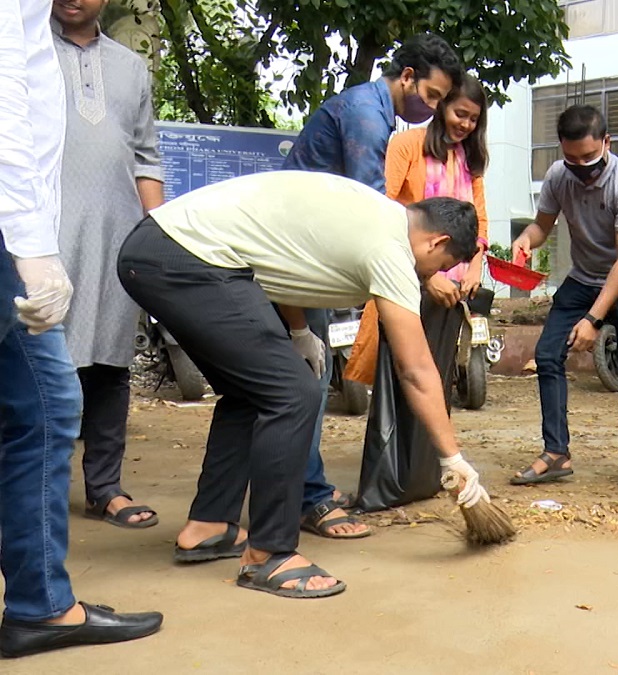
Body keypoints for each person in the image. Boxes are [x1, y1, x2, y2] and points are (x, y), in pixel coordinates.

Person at [116, 170, 487, 599]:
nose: (432, 275)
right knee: (294, 394)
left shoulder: (371, 212)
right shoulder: (391, 248)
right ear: (437, 242)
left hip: (160, 246)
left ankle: (209, 526)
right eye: (441, 266)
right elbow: (416, 369)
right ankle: (268, 555)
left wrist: (298, 332)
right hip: (188, 256)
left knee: (251, 392)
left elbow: (285, 263)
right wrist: (452, 458)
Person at [0, 0, 161, 658]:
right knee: (48, 401)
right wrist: (33, 245)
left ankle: (43, 601)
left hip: (74, 234)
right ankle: (41, 606)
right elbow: (8, 113)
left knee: (65, 390)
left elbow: (145, 156)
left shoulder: (129, 67)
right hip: (26, 236)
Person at [281, 33, 463, 539]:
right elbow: (370, 208)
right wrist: (413, 272)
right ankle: (309, 499)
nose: (432, 109)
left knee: (306, 379)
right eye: (431, 96)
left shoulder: (372, 110)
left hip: (306, 256)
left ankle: (302, 489)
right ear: (407, 77)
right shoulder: (366, 114)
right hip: (297, 257)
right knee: (307, 383)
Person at [52, 0, 165, 529]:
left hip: (117, 234)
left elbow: (146, 156)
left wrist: (158, 242)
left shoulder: (130, 66)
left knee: (110, 361)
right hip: (42, 236)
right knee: (38, 361)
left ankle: (105, 488)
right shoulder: (22, 55)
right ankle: (33, 492)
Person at [509, 105, 618, 495]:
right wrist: (525, 240)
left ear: (607, 143)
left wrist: (592, 319)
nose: (581, 168)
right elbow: (542, 226)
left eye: (589, 158)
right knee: (547, 355)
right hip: (582, 276)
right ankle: (556, 452)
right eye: (571, 158)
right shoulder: (559, 176)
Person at [344, 74, 491, 388]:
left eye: (474, 119)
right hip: (404, 281)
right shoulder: (407, 145)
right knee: (400, 379)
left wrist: (474, 266)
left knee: (436, 377)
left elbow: (479, 220)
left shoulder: (470, 160)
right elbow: (382, 209)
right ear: (442, 108)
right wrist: (428, 275)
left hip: (452, 293)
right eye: (460, 114)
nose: (465, 124)